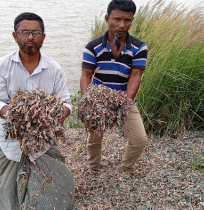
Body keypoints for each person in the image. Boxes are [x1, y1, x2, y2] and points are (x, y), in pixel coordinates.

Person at [0, 12, 74, 209]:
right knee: (9, 190)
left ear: (43, 36)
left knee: (58, 186)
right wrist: (13, 113)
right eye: (24, 32)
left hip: (43, 141)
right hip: (11, 139)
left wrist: (52, 116)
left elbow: (67, 104)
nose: (30, 37)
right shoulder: (0, 67)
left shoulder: (54, 69)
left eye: (36, 32)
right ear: (15, 35)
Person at [80, 0, 148, 175]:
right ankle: (93, 167)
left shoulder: (139, 47)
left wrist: (124, 102)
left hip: (124, 98)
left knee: (139, 139)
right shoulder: (93, 46)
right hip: (98, 99)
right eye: (117, 19)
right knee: (94, 139)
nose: (122, 25)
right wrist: (90, 100)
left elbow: (135, 76)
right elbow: (86, 75)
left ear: (133, 20)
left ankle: (127, 167)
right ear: (107, 18)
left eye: (127, 20)